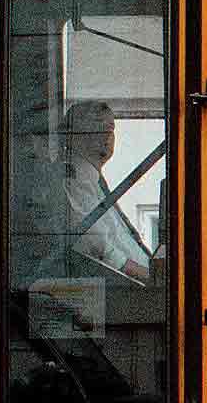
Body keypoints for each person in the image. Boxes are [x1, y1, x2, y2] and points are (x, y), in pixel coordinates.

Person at [61, 101, 152, 283]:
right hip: (124, 291)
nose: (107, 135)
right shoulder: (72, 179)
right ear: (72, 135)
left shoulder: (94, 181)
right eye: (96, 126)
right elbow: (99, 248)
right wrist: (153, 278)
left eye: (111, 128)